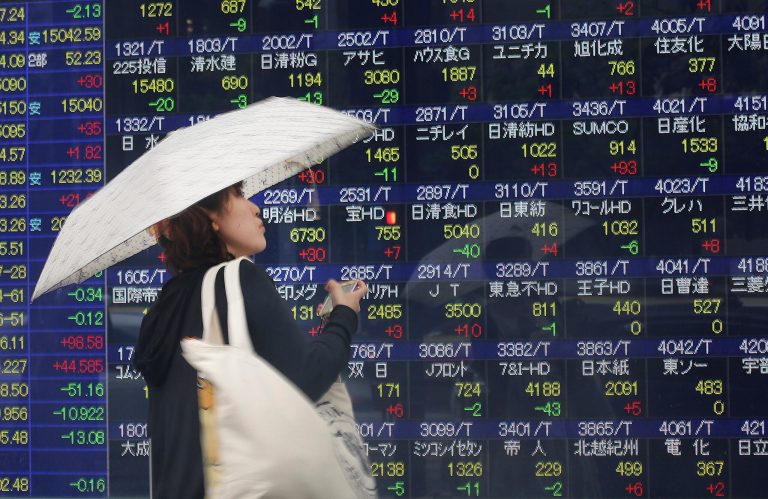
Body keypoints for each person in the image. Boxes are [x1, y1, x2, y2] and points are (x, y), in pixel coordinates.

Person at [133, 181, 367, 499]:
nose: (255, 207)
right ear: (211, 218)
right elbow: (306, 376)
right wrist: (343, 316)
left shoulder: (163, 306)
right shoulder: (239, 279)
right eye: (239, 196)